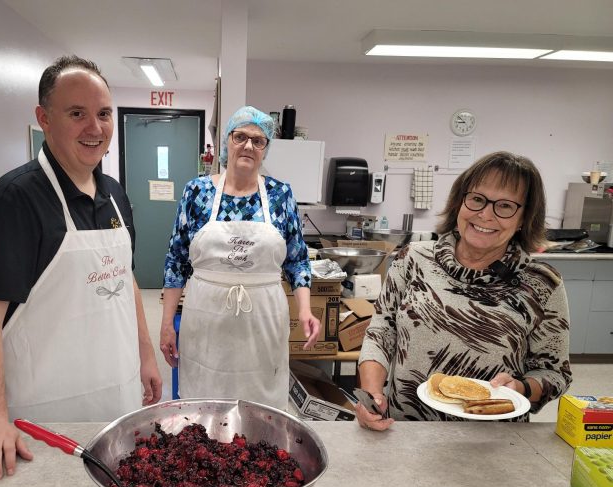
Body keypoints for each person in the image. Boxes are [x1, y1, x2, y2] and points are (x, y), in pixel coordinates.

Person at [0, 55, 162, 479]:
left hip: (117, 397)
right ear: (44, 118)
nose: (95, 128)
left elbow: (125, 278)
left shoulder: (115, 195)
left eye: (104, 114)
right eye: (77, 114)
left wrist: (145, 355)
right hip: (46, 417)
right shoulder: (14, 202)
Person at [355, 151, 572, 430]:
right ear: (460, 201)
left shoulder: (541, 284)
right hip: (407, 433)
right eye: (477, 199)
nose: (485, 214)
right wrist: (371, 396)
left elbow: (555, 373)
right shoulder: (413, 259)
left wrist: (521, 387)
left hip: (493, 440)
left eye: (504, 206)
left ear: (523, 218)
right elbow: (382, 331)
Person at [159, 106, 319, 410]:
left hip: (264, 319)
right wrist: (167, 323)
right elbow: (176, 261)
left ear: (265, 149)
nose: (248, 145)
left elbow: (297, 261)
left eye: (258, 141)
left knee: (260, 405)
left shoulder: (281, 195)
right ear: (226, 142)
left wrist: (306, 310)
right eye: (240, 136)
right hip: (206, 318)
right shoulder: (197, 192)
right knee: (205, 401)